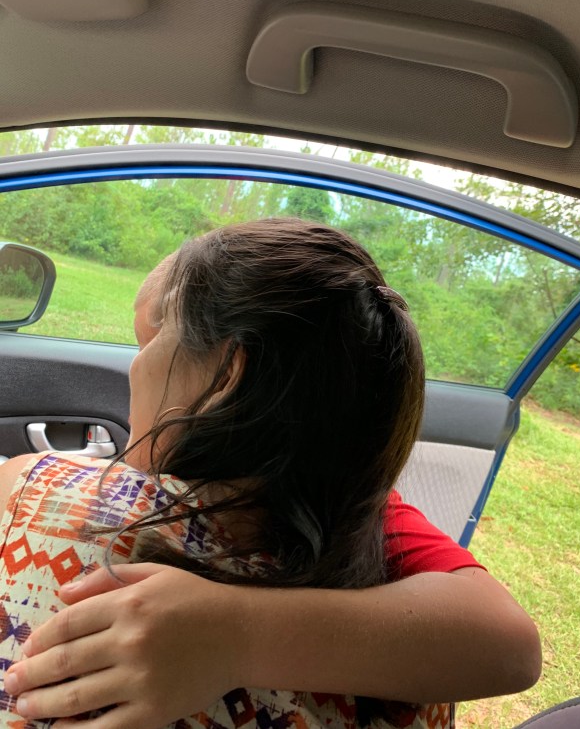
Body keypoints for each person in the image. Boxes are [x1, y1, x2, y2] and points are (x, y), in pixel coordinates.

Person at [0, 218, 542, 729]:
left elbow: (513, 643)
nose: (135, 366)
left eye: (149, 341)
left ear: (226, 375)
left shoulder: (34, 492)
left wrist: (230, 634)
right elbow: (506, 643)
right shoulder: (358, 517)